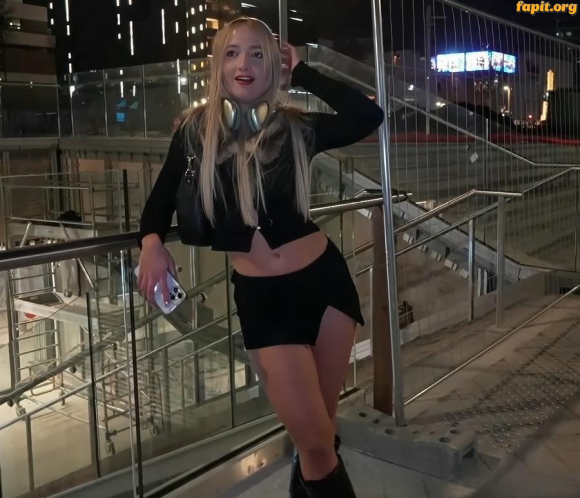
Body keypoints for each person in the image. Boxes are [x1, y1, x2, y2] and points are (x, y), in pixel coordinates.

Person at [137, 17, 383, 498]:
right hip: (266, 302)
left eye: (256, 53)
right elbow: (159, 203)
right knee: (317, 446)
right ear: (218, 65)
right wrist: (151, 244)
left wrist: (304, 71)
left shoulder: (295, 127)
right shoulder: (194, 134)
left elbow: (366, 116)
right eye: (231, 53)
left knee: (321, 433)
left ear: (272, 66)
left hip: (327, 286)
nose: (243, 64)